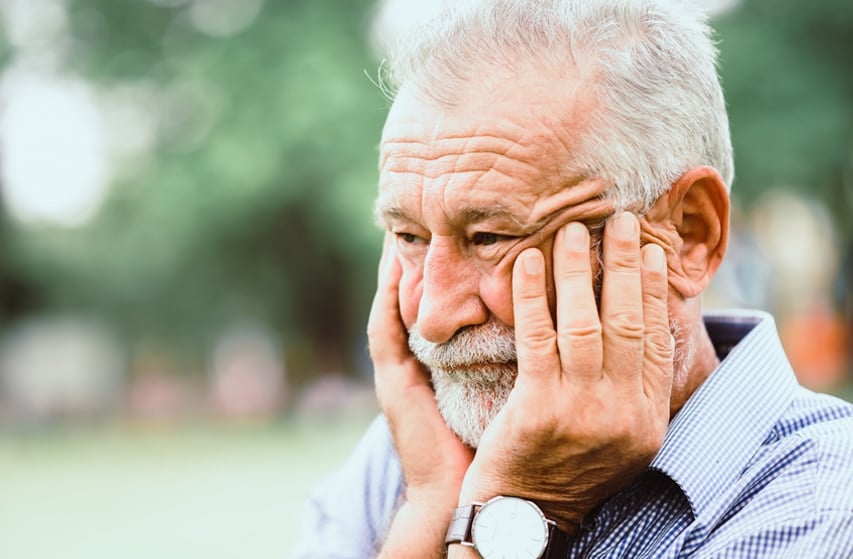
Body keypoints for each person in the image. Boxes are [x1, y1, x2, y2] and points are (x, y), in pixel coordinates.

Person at [292, 0, 853, 557]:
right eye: (410, 238)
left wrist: (522, 505)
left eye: (491, 238)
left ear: (688, 233)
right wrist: (432, 503)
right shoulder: (416, 450)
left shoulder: (826, 506)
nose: (434, 317)